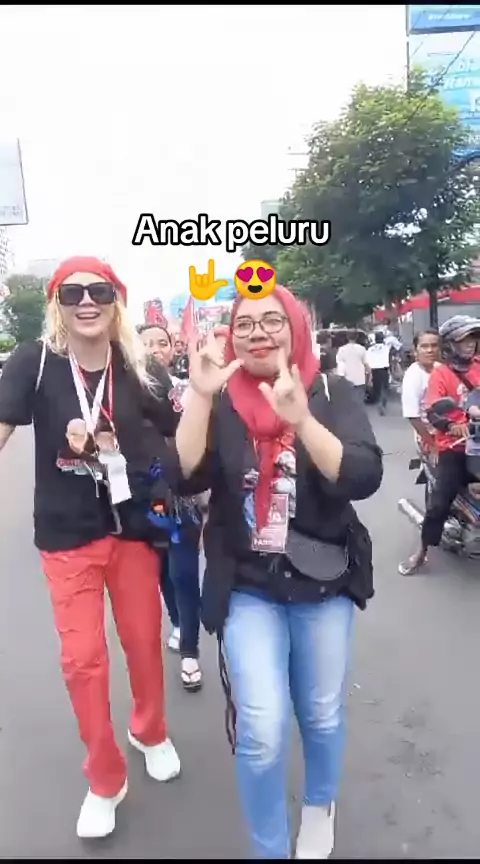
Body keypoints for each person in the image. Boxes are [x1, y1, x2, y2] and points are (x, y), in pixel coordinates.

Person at [170, 287, 383, 859]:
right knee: (262, 727)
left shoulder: (329, 390)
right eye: (245, 324)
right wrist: (199, 395)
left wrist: (302, 420)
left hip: (322, 577)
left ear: (295, 328)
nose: (258, 332)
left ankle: (319, 804)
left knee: (320, 712)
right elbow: (182, 475)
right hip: (247, 583)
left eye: (272, 320)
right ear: (230, 335)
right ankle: (268, 849)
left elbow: (362, 476)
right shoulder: (220, 399)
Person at [0, 257, 181, 839]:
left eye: (98, 291)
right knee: (82, 660)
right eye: (72, 292)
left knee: (143, 643)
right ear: (57, 303)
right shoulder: (34, 363)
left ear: (115, 301)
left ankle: (149, 731)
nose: (86, 301)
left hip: (132, 528)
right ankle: (105, 778)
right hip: (66, 534)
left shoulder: (138, 366)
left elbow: (182, 431)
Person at [139, 322, 203, 690]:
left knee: (184, 573)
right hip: (144, 498)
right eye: (146, 343)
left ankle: (190, 652)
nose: (154, 349)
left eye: (161, 343)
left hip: (182, 498)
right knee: (162, 571)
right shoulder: (123, 393)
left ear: (172, 349)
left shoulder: (188, 390)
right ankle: (178, 623)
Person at [399, 315, 480, 576]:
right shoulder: (441, 374)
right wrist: (451, 425)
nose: (470, 343)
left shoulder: (479, 366)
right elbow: (433, 411)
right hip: (455, 445)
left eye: (473, 338)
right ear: (451, 343)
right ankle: (422, 552)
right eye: (464, 339)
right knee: (439, 503)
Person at [401, 329, 440, 454]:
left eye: (434, 345)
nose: (430, 350)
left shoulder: (441, 368)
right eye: (424, 346)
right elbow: (413, 416)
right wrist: (431, 445)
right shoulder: (413, 375)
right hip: (429, 437)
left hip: (447, 434)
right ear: (415, 350)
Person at [336, 331, 371, 401]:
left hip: (346, 380)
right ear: (357, 337)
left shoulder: (342, 349)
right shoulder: (362, 349)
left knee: (347, 401)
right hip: (360, 379)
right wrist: (368, 379)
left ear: (347, 337)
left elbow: (339, 365)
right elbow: (366, 365)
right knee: (360, 401)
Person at [366, 331, 391, 414]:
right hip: (384, 369)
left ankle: (378, 401)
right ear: (383, 339)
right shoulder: (386, 348)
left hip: (374, 370)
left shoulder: (370, 349)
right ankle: (382, 403)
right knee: (384, 387)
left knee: (376, 388)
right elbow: (389, 359)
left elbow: (367, 361)